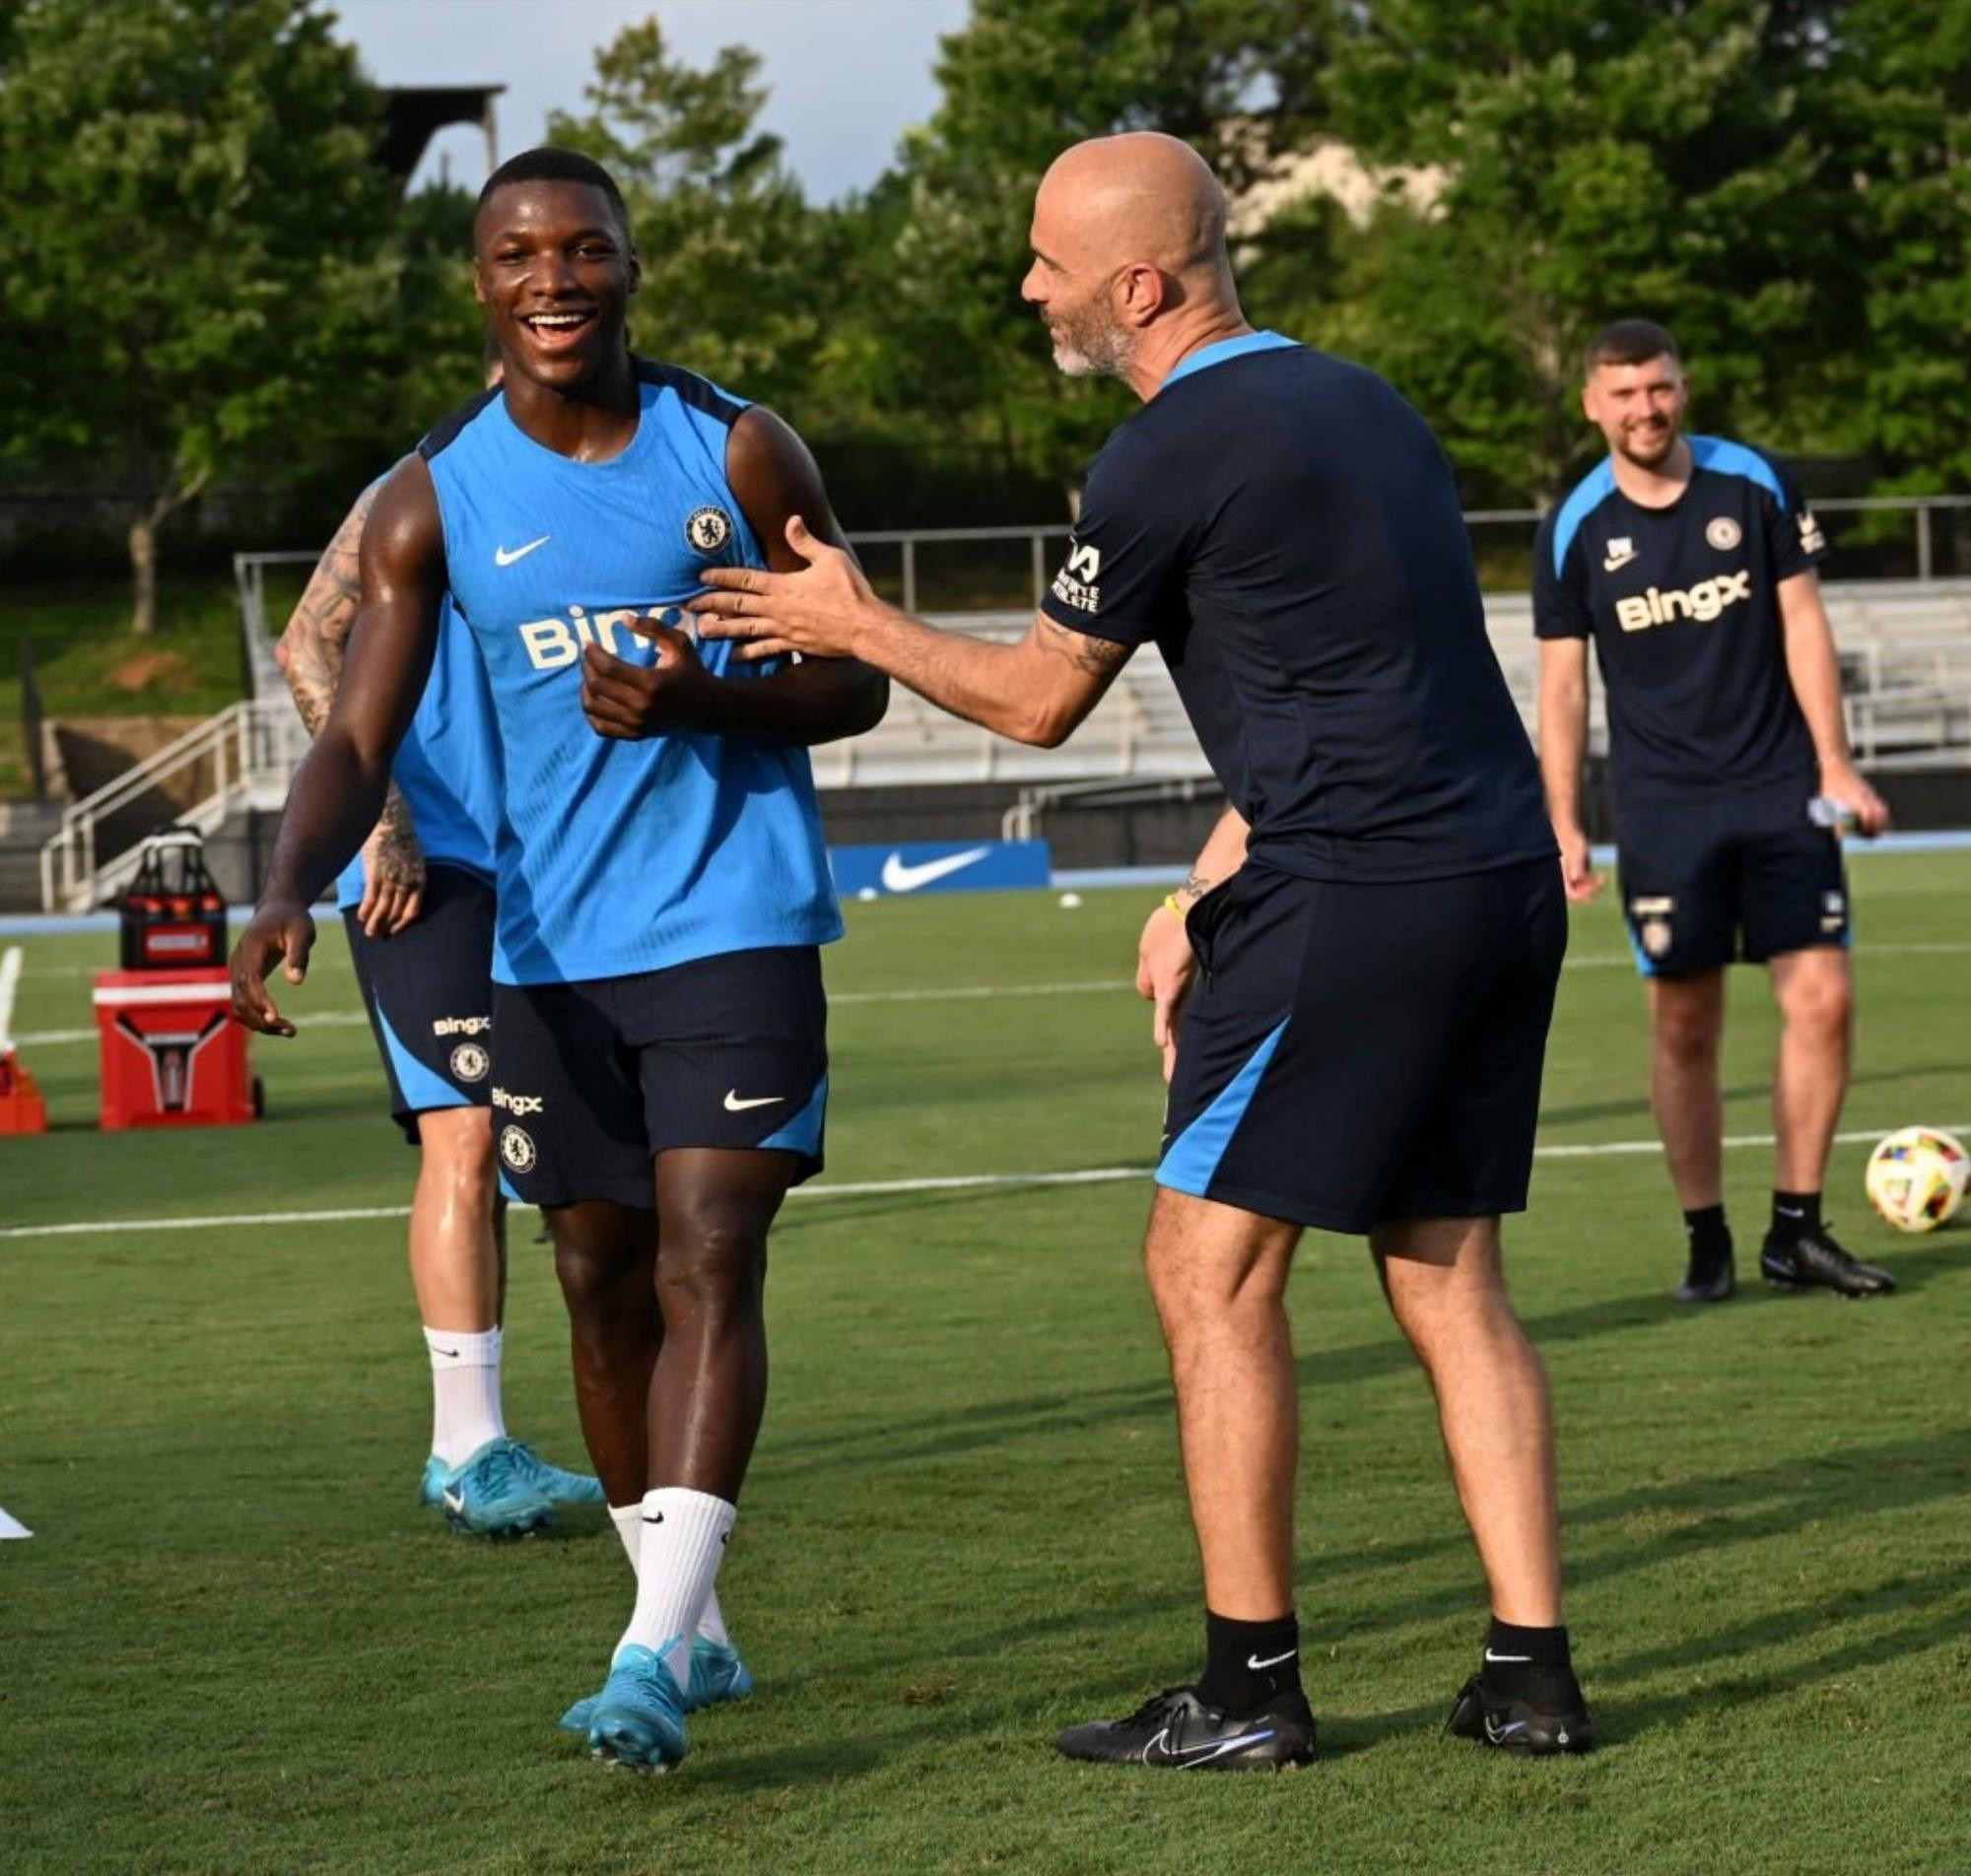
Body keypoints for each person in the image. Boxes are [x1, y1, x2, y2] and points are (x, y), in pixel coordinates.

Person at [692, 131, 1593, 1765]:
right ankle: (1531, 1668)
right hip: (1495, 873)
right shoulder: (1367, 404)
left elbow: (1040, 701)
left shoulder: (1170, 447)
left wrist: (852, 620)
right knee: (1448, 1269)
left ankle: (1247, 1687)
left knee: (1205, 1264)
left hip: (1358, 894)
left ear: (1142, 284)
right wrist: (1199, 893)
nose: (1028, 288)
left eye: (1047, 262)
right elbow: (1356, 683)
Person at [232, 147, 887, 1773]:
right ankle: (692, 1611)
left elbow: (859, 678)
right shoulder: (431, 499)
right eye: (519, 252)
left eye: (583, 249)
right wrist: (286, 880)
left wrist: (704, 695)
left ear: (631, 266)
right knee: (597, 1280)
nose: (553, 278)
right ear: (480, 280)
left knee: (706, 1248)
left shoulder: (733, 446)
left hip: (732, 921)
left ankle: (651, 1648)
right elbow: (356, 730)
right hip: (545, 950)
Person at [277, 347, 603, 1540]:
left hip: (554, 862)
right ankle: (464, 1446)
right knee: (462, 1131)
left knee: (546, 1137)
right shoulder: (414, 488)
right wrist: (387, 818)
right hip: (426, 867)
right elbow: (306, 646)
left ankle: (506, 1434)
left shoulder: (603, 488)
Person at [1533, 318, 1895, 1304]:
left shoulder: (1752, 482)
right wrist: (1562, 817)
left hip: (1780, 786)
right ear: (1591, 404)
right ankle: (1705, 1234)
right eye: (1622, 393)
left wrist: (1836, 762)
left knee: (1822, 999)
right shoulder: (1572, 527)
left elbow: (1801, 621)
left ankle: (1797, 1228)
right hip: (1663, 808)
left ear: (1679, 387)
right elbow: (1562, 690)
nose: (1643, 408)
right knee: (1684, 1024)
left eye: (1657, 388)